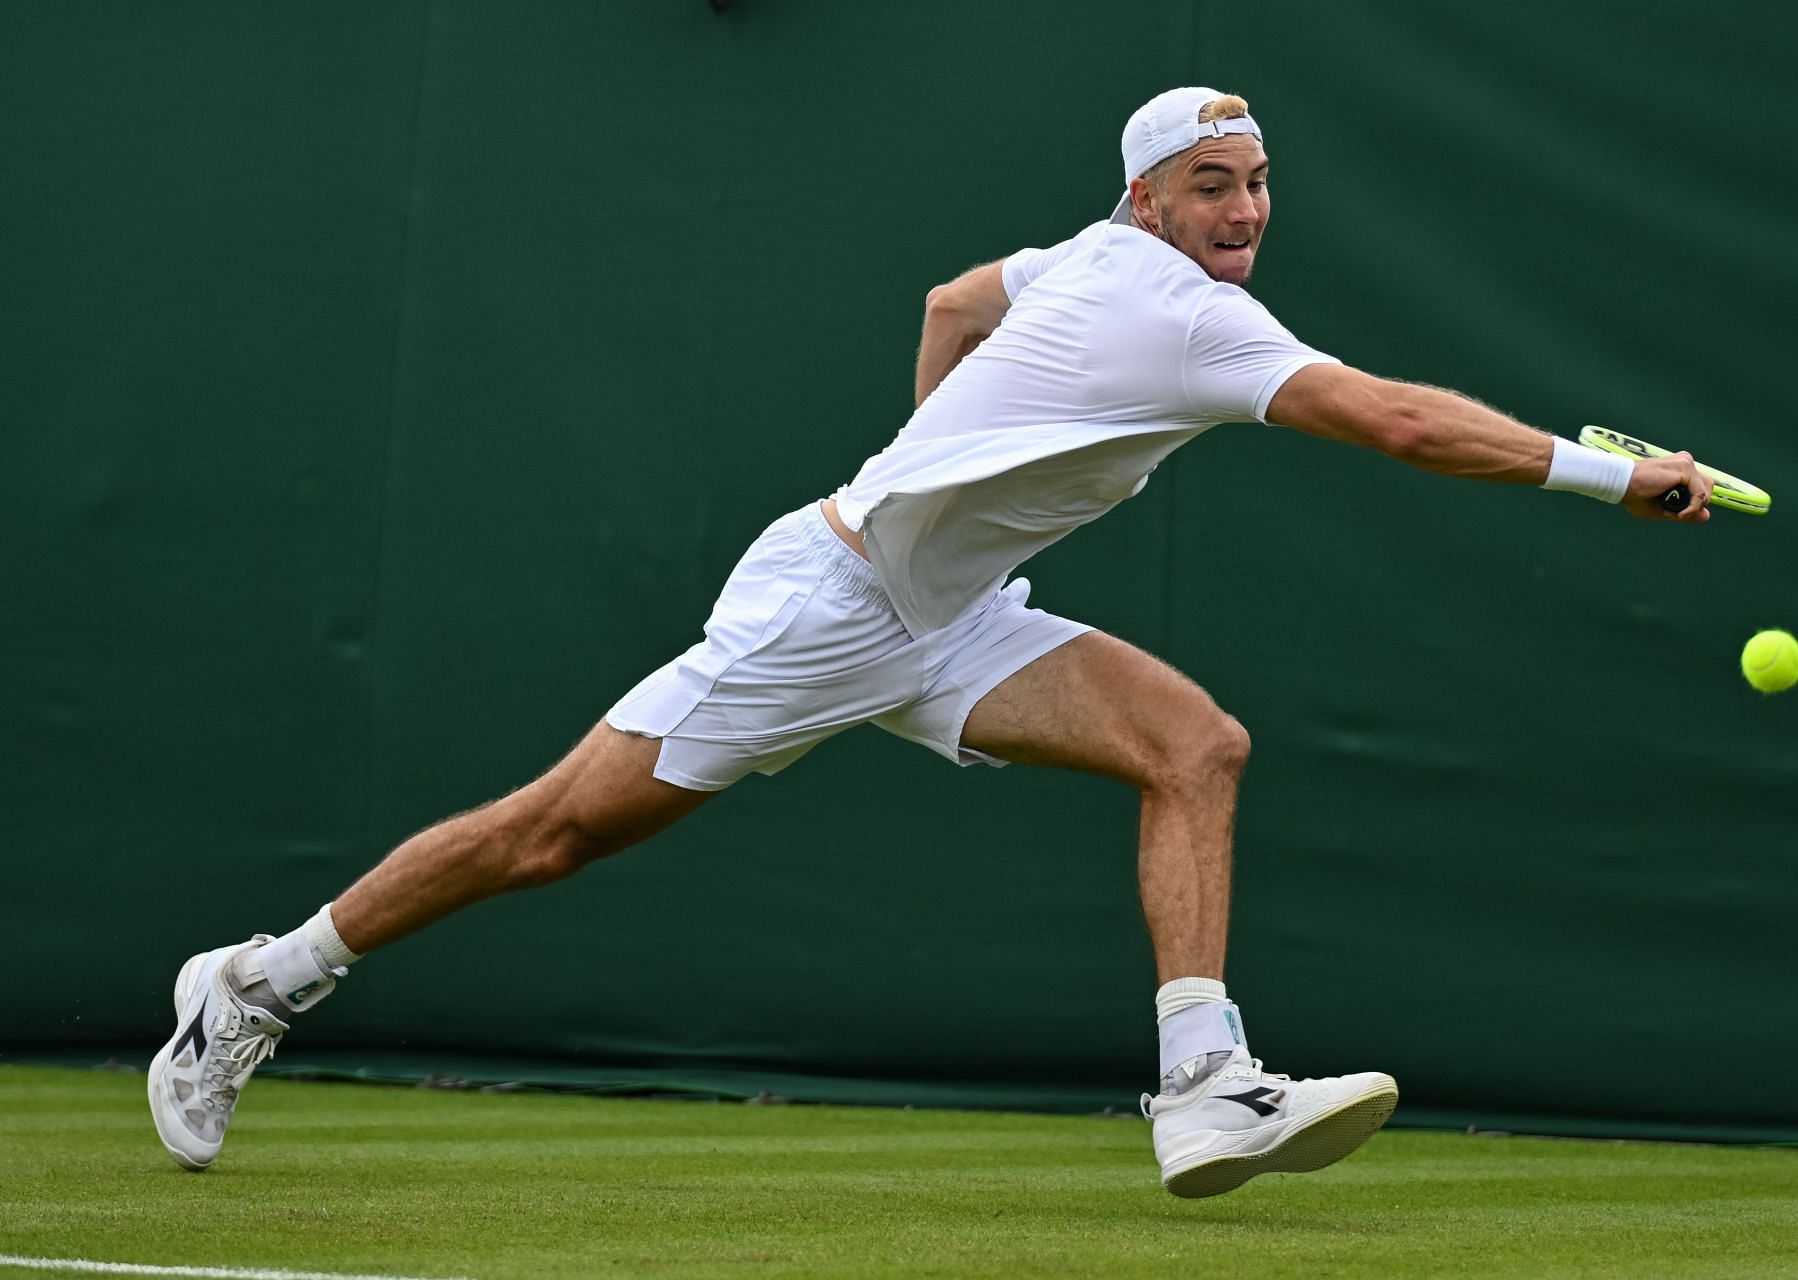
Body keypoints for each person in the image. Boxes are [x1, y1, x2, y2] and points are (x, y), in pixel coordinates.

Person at [148, 86, 1710, 1198]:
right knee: (554, 835)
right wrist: (1609, 474)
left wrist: (933, 458)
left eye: (1254, 181)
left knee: (1195, 747)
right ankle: (258, 983)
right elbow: (1391, 420)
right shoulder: (1185, 314)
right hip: (825, 610)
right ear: (1147, 202)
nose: (1243, 210)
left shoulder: (1084, 261)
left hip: (953, 614)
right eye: (1210, 187)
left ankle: (1200, 1087)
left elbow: (955, 300)